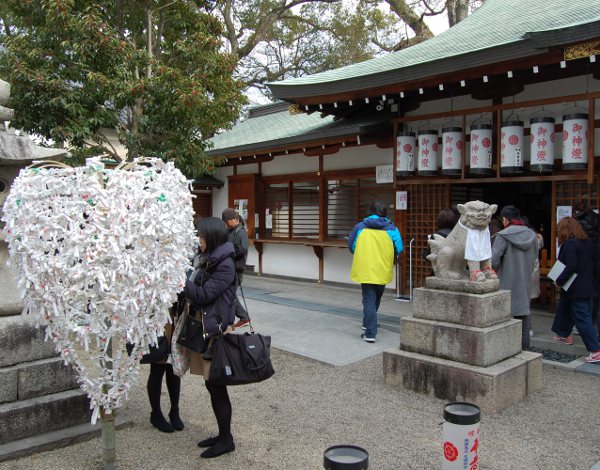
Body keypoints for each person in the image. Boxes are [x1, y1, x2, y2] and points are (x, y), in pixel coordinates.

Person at [183, 217, 237, 458]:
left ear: (212, 238)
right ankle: (222, 435)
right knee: (212, 385)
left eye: (201, 237)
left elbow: (204, 295)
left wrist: (180, 279)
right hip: (208, 328)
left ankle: (226, 440)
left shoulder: (224, 265)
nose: (198, 240)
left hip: (215, 332)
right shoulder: (208, 259)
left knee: (217, 386)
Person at [347, 201, 403, 343]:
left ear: (370, 212)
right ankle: (368, 325)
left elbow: (352, 246)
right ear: (385, 213)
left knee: (369, 300)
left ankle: (370, 332)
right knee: (375, 298)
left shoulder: (360, 227)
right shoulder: (392, 229)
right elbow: (399, 248)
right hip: (383, 268)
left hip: (365, 268)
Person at [550, 217, 600, 363]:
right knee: (565, 308)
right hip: (587, 285)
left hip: (576, 287)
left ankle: (595, 350)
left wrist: (559, 280)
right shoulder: (587, 242)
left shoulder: (570, 244)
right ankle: (564, 334)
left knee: (582, 318)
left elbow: (571, 266)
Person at [491, 205, 537, 350]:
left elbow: (493, 261)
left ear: (505, 219)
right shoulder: (532, 235)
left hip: (506, 283)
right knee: (523, 317)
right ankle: (524, 351)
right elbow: (535, 256)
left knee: (506, 319)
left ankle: (507, 350)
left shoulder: (503, 235)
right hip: (525, 282)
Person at [147, 318, 184, 433]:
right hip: (158, 319)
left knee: (174, 367)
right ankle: (156, 414)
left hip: (176, 318)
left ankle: (174, 411)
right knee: (158, 365)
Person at [573, 201, 600, 337]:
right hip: (596, 262)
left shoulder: (579, 223)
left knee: (584, 298)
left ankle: (583, 325)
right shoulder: (597, 218)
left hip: (586, 263)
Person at [222, 208, 251, 329]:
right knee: (229, 294)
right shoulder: (230, 231)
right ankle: (242, 317)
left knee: (230, 295)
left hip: (236, 269)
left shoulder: (241, 232)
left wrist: (227, 251)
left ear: (234, 219)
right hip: (228, 267)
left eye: (227, 221)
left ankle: (243, 317)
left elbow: (242, 250)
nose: (226, 224)